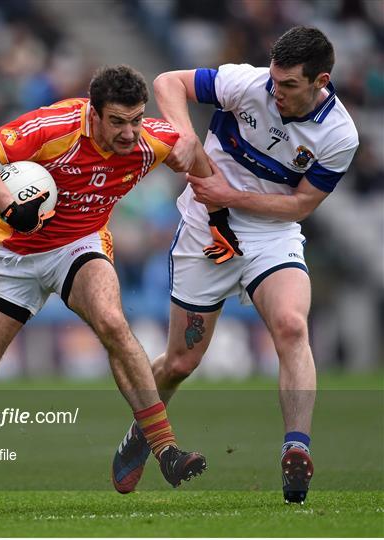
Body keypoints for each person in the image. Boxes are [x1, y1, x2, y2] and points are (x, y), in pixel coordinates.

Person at [0, 65, 208, 501]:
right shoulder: (53, 126)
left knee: (114, 323)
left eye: (136, 119)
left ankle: (165, 449)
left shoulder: (149, 140)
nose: (128, 133)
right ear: (92, 114)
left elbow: (197, 162)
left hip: (79, 245)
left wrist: (194, 149)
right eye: (117, 121)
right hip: (11, 257)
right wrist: (9, 206)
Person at [111, 27, 359, 504]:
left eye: (288, 86)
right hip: (207, 229)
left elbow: (302, 205)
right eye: (274, 80)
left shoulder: (339, 134)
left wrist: (233, 194)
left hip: (271, 234)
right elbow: (168, 81)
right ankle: (142, 432)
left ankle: (296, 449)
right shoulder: (247, 84)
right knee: (182, 361)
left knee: (290, 326)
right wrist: (186, 137)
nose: (275, 92)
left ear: (320, 81)